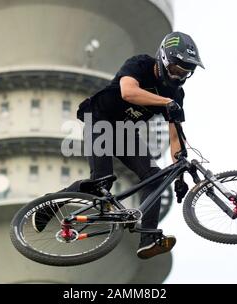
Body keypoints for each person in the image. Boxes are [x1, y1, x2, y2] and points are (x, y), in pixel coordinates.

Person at [33, 31, 204, 259]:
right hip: (100, 121)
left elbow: (176, 138)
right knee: (100, 183)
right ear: (163, 60)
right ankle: (48, 205)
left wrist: (180, 176)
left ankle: (148, 238)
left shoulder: (176, 94)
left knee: (155, 177)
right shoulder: (141, 64)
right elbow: (128, 92)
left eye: (185, 73)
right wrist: (166, 102)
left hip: (125, 132)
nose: (177, 78)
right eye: (175, 70)